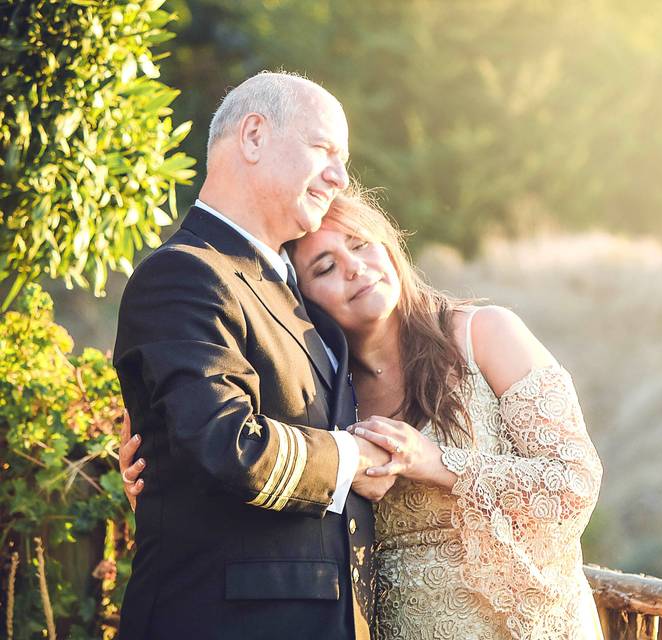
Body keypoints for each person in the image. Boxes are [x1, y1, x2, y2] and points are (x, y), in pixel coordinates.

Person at [121, 188, 605, 639]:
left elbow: (576, 482)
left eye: (361, 244)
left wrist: (436, 463)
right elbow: (246, 461)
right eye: (326, 267)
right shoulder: (318, 394)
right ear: (302, 301)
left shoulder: (485, 334)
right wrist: (165, 480)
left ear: (389, 247)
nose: (355, 268)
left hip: (529, 624)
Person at [113, 71, 394, 640]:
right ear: (254, 137)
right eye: (325, 150)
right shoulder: (185, 274)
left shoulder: (297, 291)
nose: (340, 177)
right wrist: (352, 460)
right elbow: (223, 443)